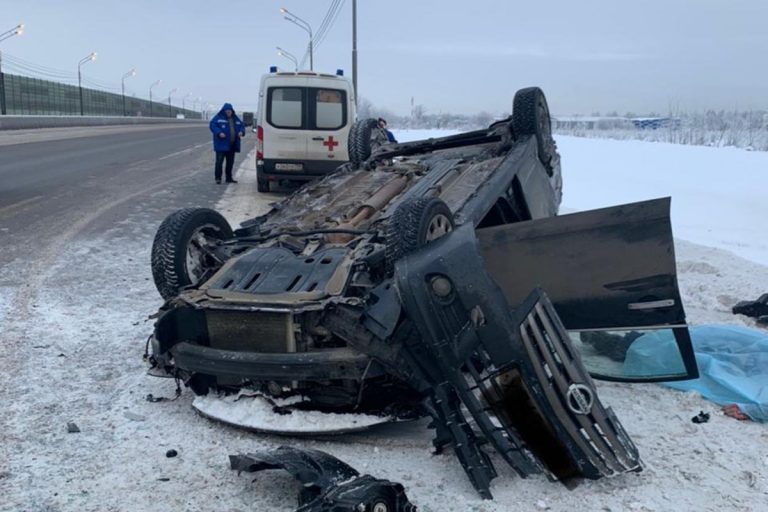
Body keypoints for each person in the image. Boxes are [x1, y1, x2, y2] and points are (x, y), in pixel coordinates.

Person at [209, 103, 246, 184]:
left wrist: (241, 132)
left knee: (230, 162)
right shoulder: (218, 118)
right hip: (221, 145)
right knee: (219, 162)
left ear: (232, 111)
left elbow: (242, 126)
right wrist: (219, 133)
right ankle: (218, 178)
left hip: (231, 145)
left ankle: (229, 178)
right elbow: (212, 125)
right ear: (224, 111)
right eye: (227, 111)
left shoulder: (235, 119)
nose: (229, 113)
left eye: (230, 111)